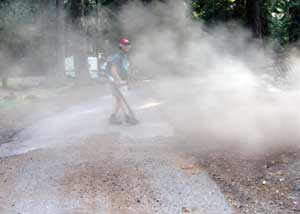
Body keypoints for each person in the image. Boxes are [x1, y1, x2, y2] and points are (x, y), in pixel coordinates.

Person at [109, 38, 136, 125]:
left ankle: (112, 117)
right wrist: (119, 80)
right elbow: (113, 70)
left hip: (121, 81)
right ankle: (127, 117)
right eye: (125, 44)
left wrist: (128, 81)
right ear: (121, 46)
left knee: (119, 100)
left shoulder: (125, 56)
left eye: (128, 44)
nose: (128, 45)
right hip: (115, 82)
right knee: (120, 99)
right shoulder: (117, 57)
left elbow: (125, 69)